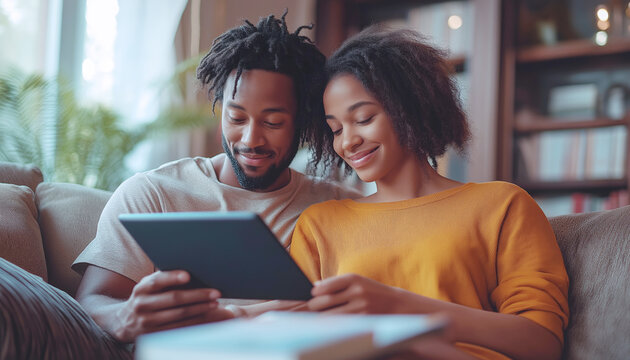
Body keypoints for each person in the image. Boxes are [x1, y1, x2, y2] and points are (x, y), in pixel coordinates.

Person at [72, 12, 359, 344]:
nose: (251, 139)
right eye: (236, 117)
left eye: (273, 123)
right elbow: (91, 301)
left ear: (302, 124)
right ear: (220, 109)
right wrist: (126, 316)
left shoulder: (337, 205)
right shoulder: (153, 194)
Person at [289, 26, 569, 360]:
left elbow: (542, 342)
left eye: (363, 119)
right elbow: (294, 333)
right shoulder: (319, 225)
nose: (347, 142)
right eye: (336, 129)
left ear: (409, 107)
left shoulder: (502, 205)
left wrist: (401, 306)